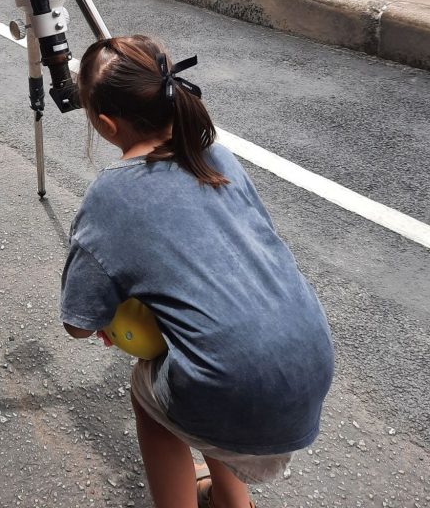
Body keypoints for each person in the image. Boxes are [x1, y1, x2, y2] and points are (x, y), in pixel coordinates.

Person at [61, 35, 335, 508]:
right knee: (201, 363)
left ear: (106, 125)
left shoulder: (109, 197)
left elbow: (78, 324)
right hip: (310, 367)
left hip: (234, 387)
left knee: (153, 394)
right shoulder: (216, 156)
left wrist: (115, 318)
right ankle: (232, 500)